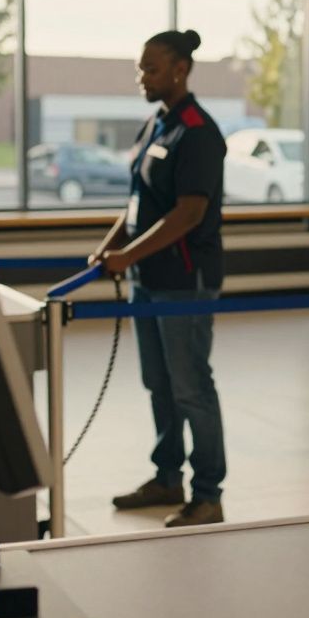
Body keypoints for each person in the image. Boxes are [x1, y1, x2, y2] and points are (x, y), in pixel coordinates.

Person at [90, 28, 228, 527]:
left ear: (180, 69)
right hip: (146, 277)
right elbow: (138, 203)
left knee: (191, 385)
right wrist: (113, 248)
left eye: (150, 69)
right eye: (139, 69)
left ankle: (208, 494)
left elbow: (189, 214)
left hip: (184, 280)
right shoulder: (155, 124)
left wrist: (126, 256)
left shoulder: (199, 131)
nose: (142, 78)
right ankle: (167, 477)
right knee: (159, 383)